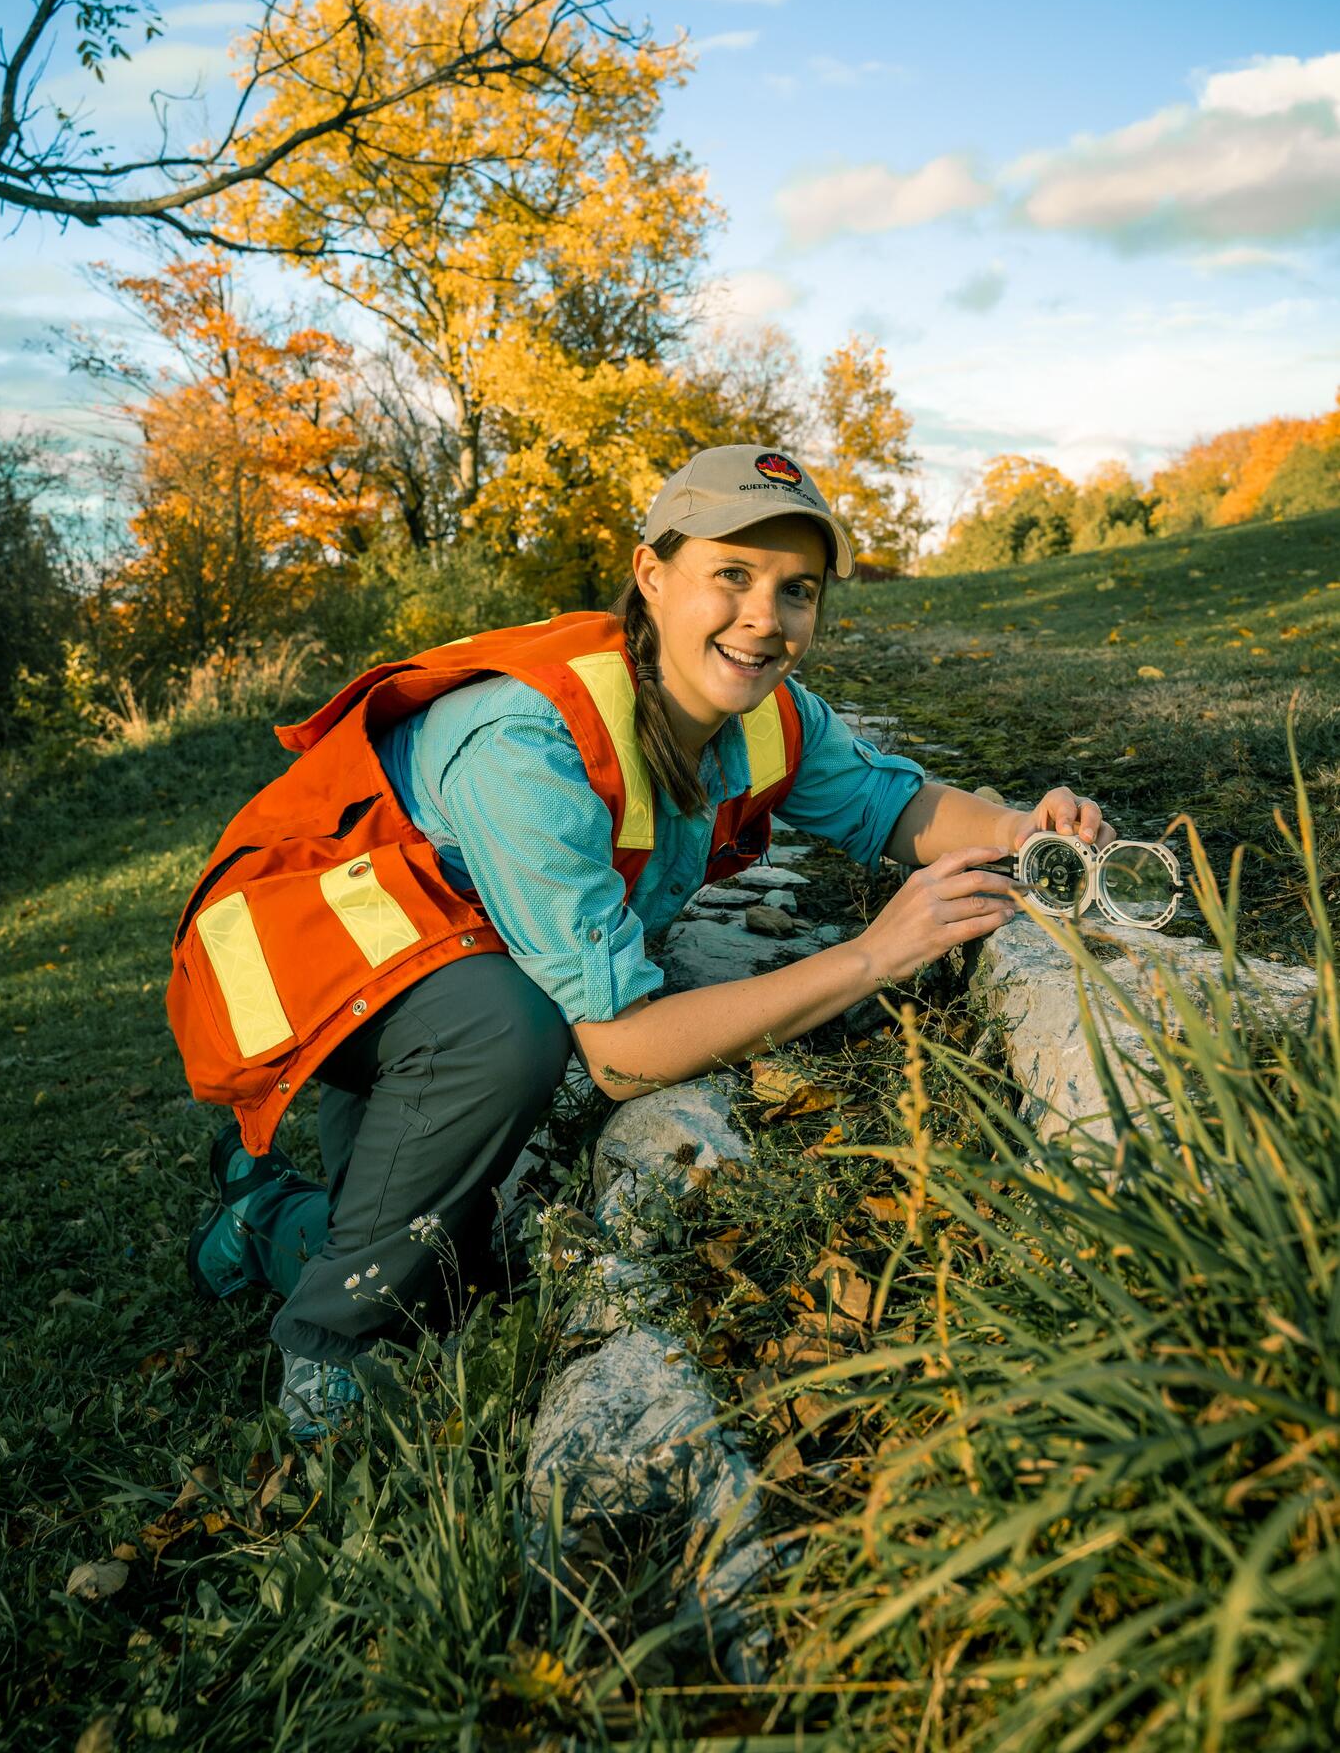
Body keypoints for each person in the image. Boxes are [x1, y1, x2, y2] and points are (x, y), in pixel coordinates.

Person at [174, 444, 1112, 1440]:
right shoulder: (531, 739)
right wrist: (871, 955)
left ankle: (264, 1213)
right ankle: (328, 1351)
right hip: (308, 949)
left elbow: (891, 801)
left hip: (437, 949)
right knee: (513, 1033)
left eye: (797, 590)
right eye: (733, 576)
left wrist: (1019, 829)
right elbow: (620, 1049)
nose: (766, 617)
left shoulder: (765, 713)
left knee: (461, 1266)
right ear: (653, 575)